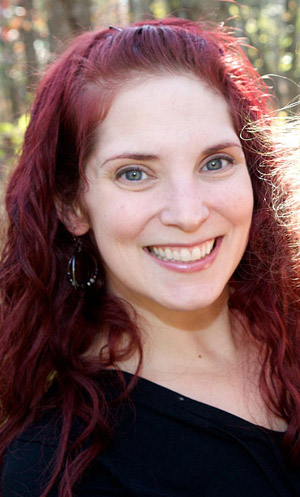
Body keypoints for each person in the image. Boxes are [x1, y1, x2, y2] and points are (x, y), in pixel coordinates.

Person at [0, 17, 299, 497]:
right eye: (135, 173)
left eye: (215, 162)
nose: (188, 213)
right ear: (72, 205)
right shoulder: (53, 470)